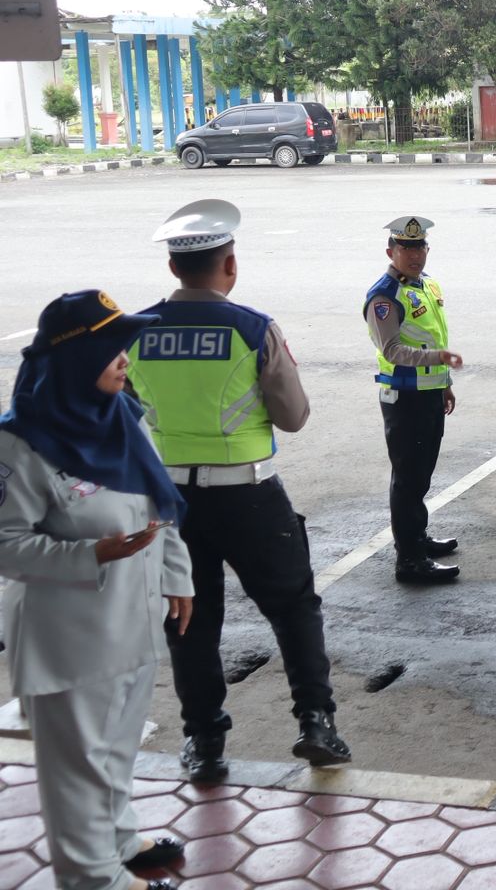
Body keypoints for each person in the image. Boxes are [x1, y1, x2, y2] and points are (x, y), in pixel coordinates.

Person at [126, 199, 350, 782]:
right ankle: (316, 724)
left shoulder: (135, 332)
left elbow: (122, 415)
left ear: (174, 268)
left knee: (189, 620)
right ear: (230, 266)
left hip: (172, 504)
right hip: (250, 497)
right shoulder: (253, 328)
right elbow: (294, 416)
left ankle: (204, 745)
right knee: (294, 608)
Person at [0, 290, 193, 890]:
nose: (125, 360)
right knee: (76, 766)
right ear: (74, 358)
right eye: (113, 349)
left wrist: (174, 574)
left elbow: (157, 501)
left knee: (114, 746)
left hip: (129, 619)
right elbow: (4, 543)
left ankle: (116, 839)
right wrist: (92, 554)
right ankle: (93, 879)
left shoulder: (121, 416)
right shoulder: (20, 443)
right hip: (70, 637)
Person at [364, 216, 465, 584]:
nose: (414, 254)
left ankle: (417, 539)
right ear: (391, 251)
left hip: (428, 394)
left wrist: (444, 383)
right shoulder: (384, 296)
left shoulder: (426, 286)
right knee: (408, 480)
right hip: (404, 398)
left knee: (420, 476)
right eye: (405, 247)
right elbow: (392, 350)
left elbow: (433, 338)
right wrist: (436, 361)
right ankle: (409, 560)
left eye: (419, 246)